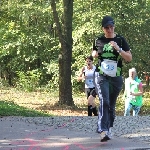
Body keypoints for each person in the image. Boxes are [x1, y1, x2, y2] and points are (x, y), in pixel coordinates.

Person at [92, 15, 132, 142]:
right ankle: (102, 130)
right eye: (106, 27)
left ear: (114, 26)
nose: (109, 29)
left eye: (111, 27)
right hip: (102, 75)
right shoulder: (98, 40)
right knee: (105, 101)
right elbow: (94, 54)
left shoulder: (120, 39)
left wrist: (118, 49)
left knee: (112, 105)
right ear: (103, 29)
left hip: (116, 76)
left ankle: (108, 128)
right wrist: (94, 54)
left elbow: (129, 58)